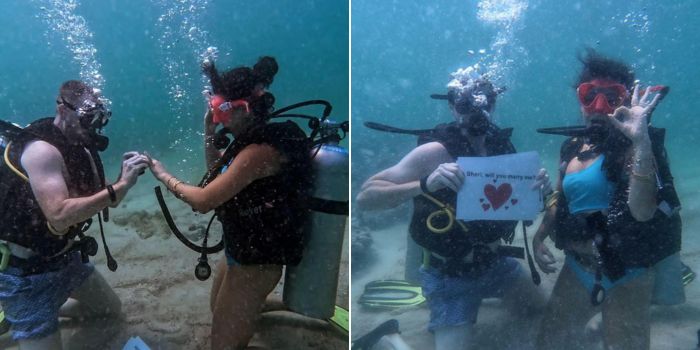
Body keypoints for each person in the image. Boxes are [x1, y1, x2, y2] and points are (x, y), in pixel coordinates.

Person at [356, 65, 549, 350]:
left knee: (538, 308)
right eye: (464, 104)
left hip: (496, 264)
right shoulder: (435, 151)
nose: (475, 111)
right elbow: (366, 197)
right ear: (452, 107)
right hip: (450, 276)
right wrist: (425, 184)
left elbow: (522, 205)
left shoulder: (502, 148)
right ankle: (387, 339)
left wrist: (540, 189)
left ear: (493, 104)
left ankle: (481, 299)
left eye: (485, 102)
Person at [147, 56, 313, 349]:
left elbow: (204, 200)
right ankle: (258, 306)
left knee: (222, 347)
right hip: (241, 247)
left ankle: (258, 303)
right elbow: (214, 176)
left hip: (258, 261)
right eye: (214, 110)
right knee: (217, 311)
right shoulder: (245, 141)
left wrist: (163, 175)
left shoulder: (260, 151)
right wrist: (209, 131)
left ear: (243, 108)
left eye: (220, 111)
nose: (219, 118)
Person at [532, 50, 673, 350]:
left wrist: (641, 141)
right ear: (579, 98)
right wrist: (540, 235)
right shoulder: (571, 146)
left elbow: (643, 211)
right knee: (549, 344)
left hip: (629, 272)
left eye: (612, 96)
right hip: (578, 268)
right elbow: (561, 197)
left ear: (626, 101)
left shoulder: (637, 147)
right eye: (589, 94)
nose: (599, 106)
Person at [0, 80, 149, 349]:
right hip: (25, 278)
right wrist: (121, 187)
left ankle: (35, 317)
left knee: (109, 310)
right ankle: (17, 319)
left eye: (99, 119)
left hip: (66, 259)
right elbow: (58, 215)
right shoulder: (41, 151)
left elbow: (104, 200)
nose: (94, 127)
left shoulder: (81, 145)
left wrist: (123, 178)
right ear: (63, 109)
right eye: (88, 118)